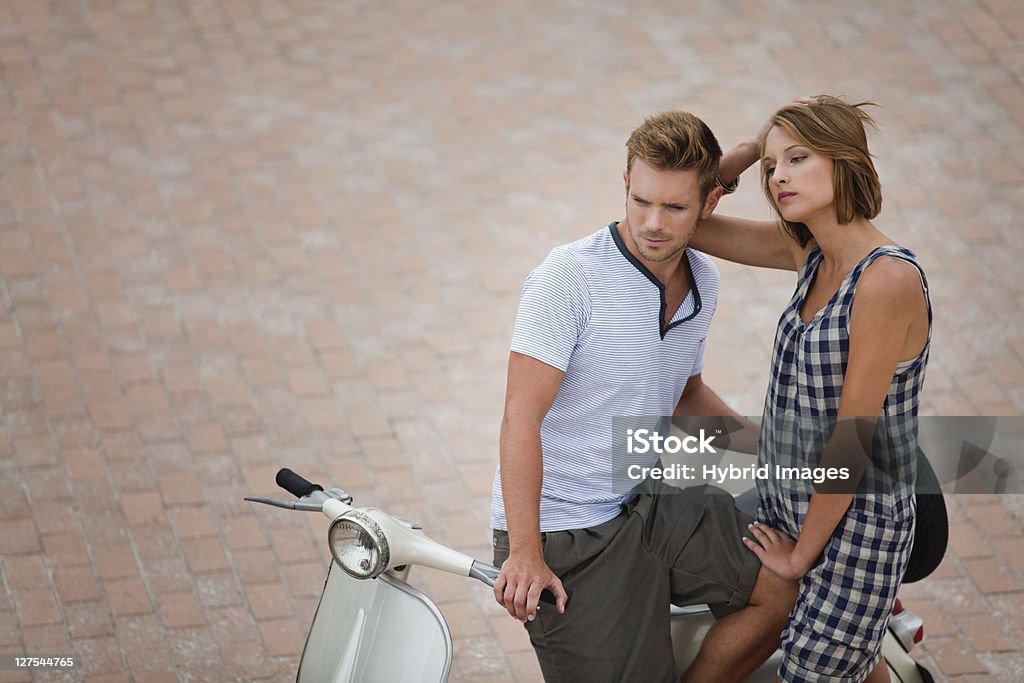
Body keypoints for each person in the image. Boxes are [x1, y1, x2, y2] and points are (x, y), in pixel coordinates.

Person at [489, 111, 797, 683]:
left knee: (782, 588)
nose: (653, 223)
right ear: (625, 185)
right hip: (563, 534)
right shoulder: (570, 278)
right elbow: (519, 419)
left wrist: (776, 452)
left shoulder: (703, 280)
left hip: (645, 504)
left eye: (675, 208)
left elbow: (685, 393)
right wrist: (525, 552)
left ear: (709, 206)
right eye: (640, 201)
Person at [690, 95, 932, 683]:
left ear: (844, 160)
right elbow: (682, 219)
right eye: (772, 166)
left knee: (811, 671)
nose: (778, 177)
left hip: (856, 532)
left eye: (797, 158)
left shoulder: (885, 281)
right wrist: (746, 150)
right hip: (786, 505)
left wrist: (799, 560)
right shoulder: (809, 253)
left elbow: (851, 443)